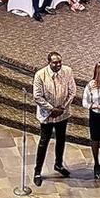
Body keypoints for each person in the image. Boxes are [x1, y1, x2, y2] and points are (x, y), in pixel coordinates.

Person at [32, 52, 76, 186]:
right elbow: (37, 96)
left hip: (62, 113)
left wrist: (62, 108)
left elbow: (72, 91)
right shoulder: (40, 75)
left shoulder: (67, 71)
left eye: (59, 62)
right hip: (48, 114)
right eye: (55, 63)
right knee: (44, 141)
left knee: (61, 139)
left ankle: (58, 164)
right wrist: (52, 109)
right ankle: (38, 171)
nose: (58, 65)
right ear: (49, 62)